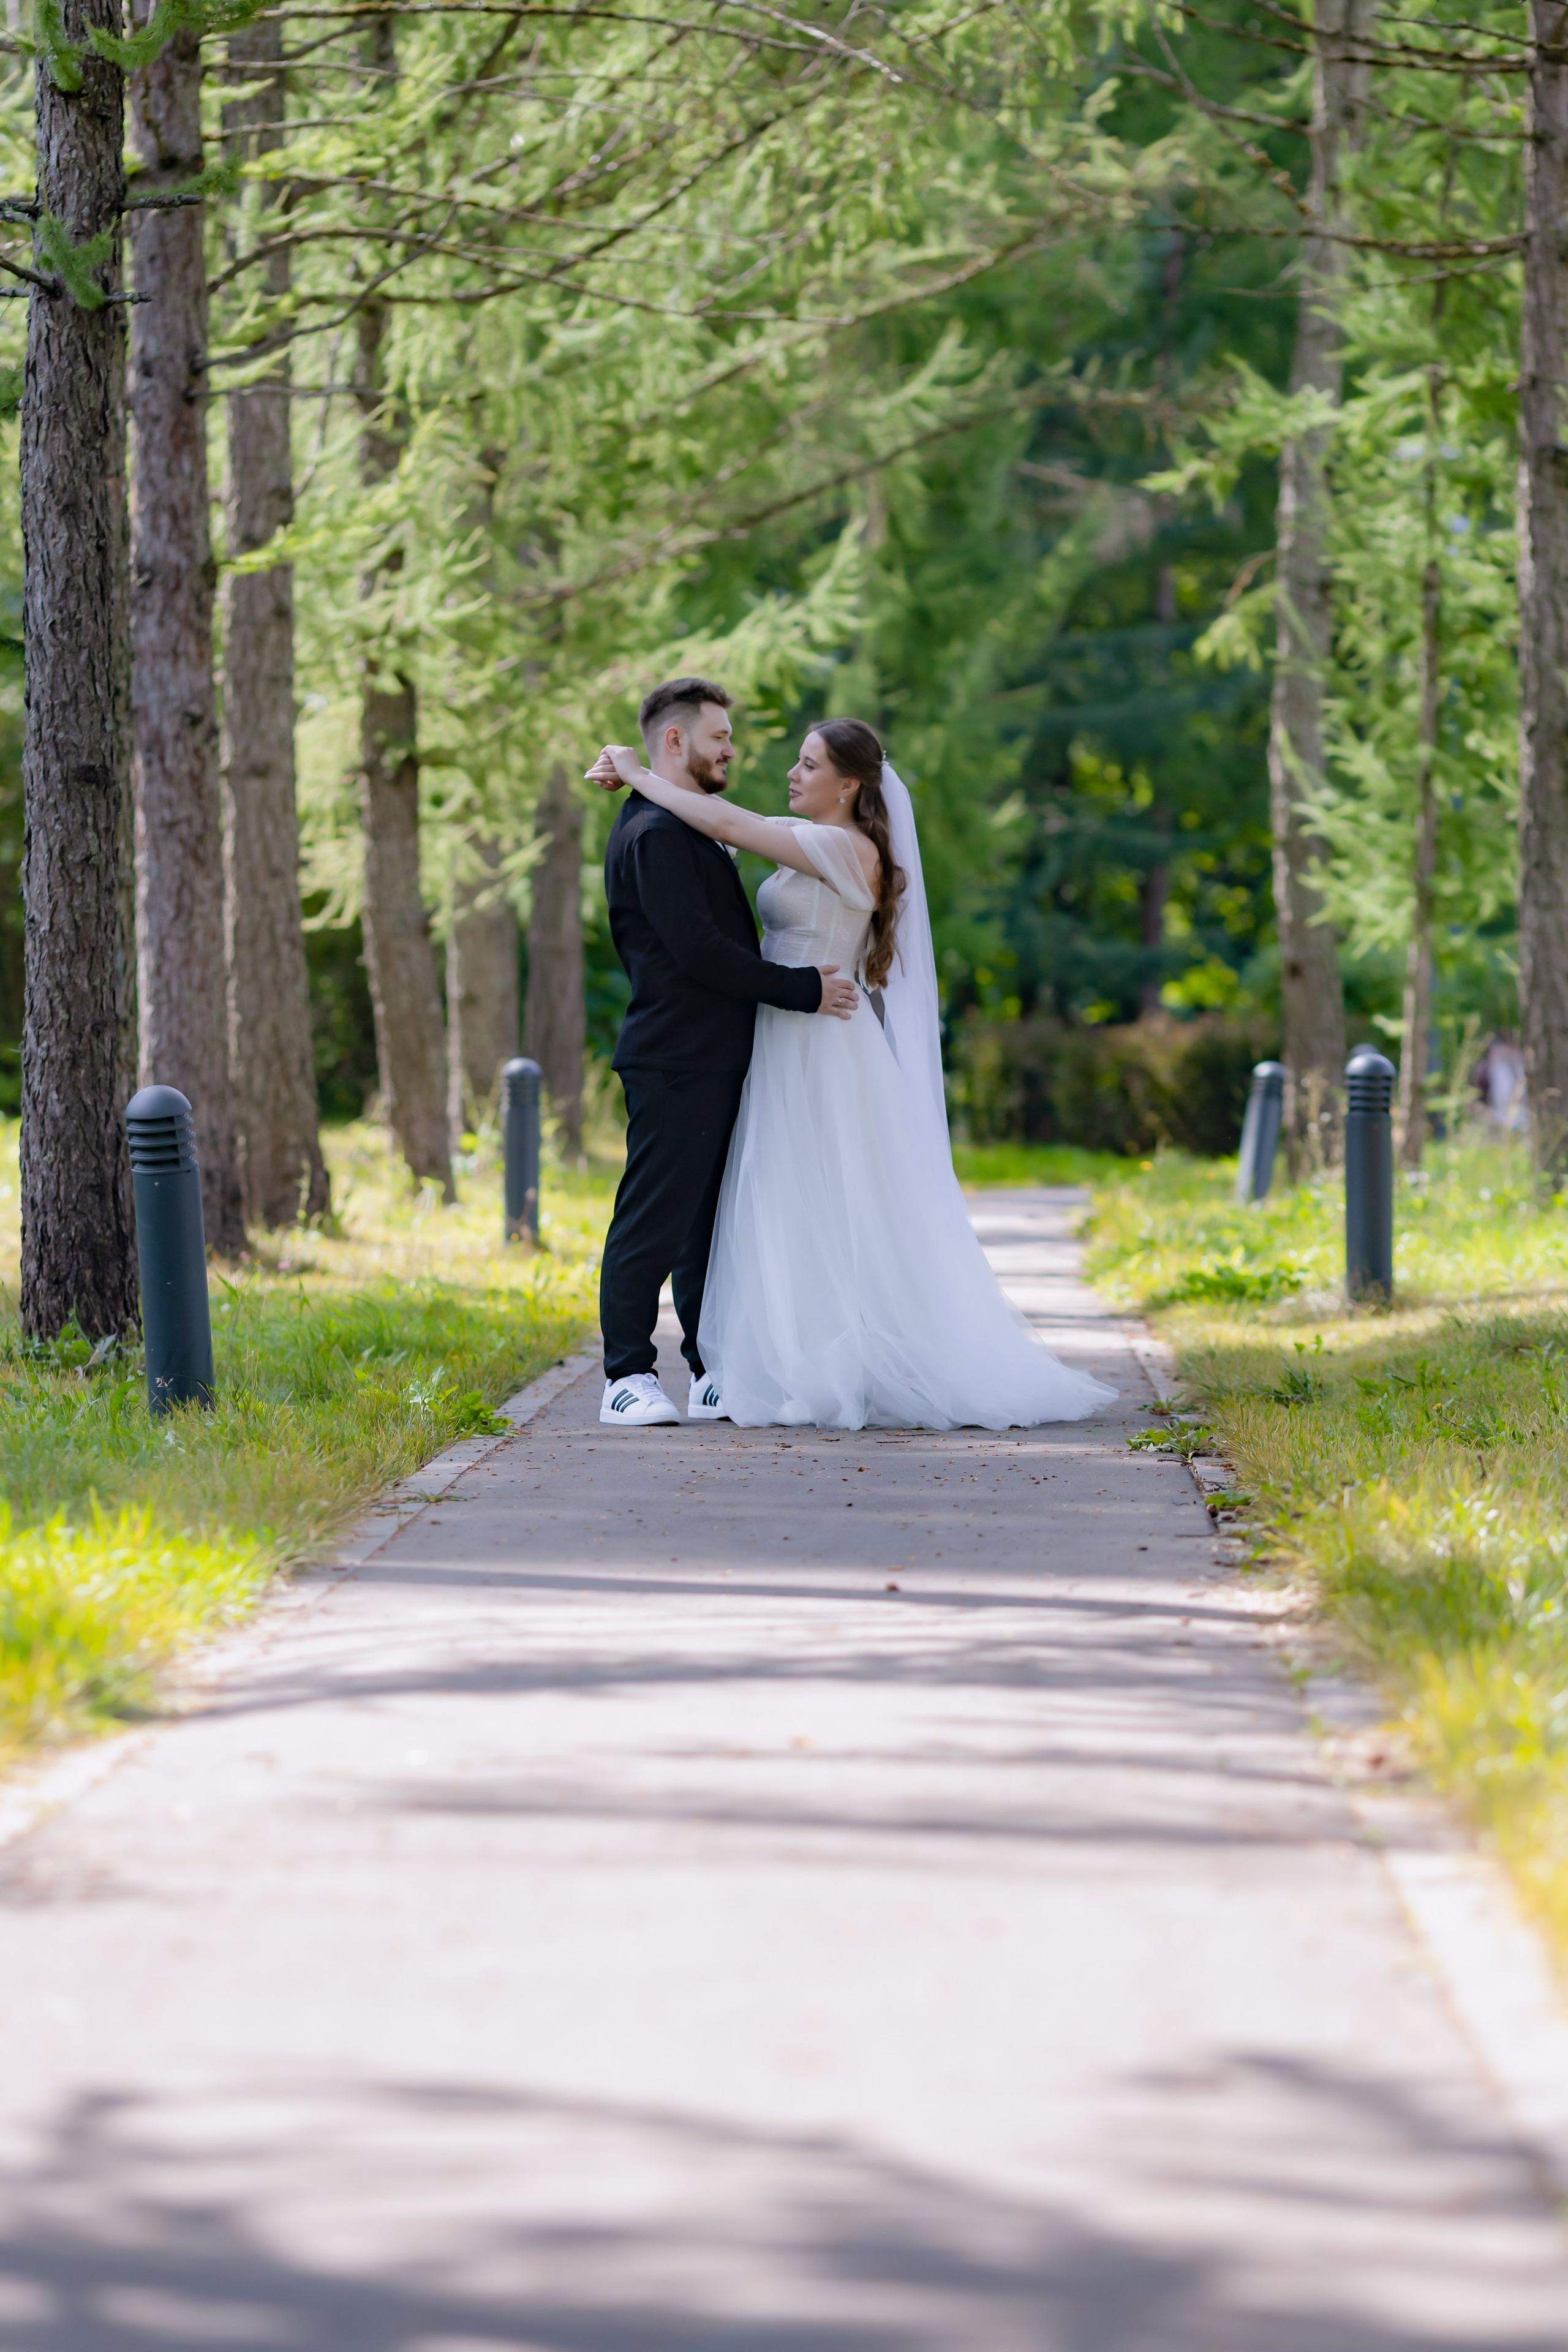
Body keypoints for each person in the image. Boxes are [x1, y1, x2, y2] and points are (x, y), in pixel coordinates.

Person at [587, 714, 1115, 1431]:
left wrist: (641, 774)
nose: (792, 773)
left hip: (817, 1040)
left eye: (809, 765)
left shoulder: (843, 846)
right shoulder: (814, 835)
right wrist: (632, 762)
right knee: (767, 1199)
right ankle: (759, 1361)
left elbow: (728, 824)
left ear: (849, 785)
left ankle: (830, 1359)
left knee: (824, 1199)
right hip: (773, 1034)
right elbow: (718, 816)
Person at [594, 677, 861, 1428]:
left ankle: (711, 1370)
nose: (732, 751)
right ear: (674, 742)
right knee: (654, 1217)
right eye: (719, 738)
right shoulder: (653, 833)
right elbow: (700, 952)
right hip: (673, 1055)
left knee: (709, 1225)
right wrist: (802, 989)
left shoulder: (685, 822)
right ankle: (624, 1376)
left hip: (717, 1055)